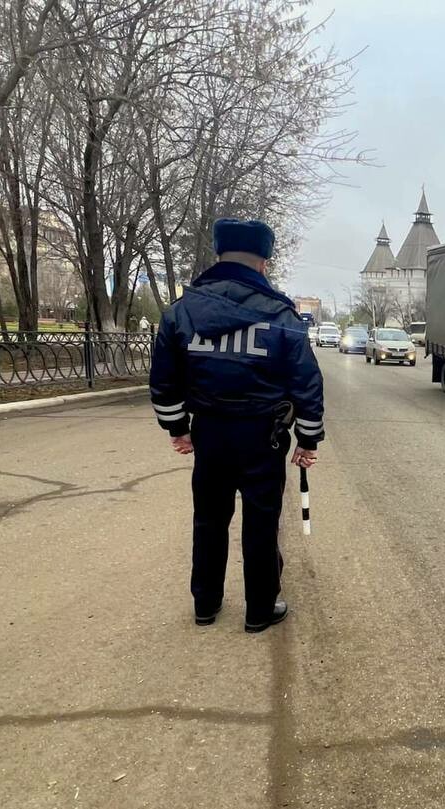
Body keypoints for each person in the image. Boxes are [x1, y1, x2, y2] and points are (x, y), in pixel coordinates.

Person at [149, 218, 324, 633]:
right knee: (261, 521)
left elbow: (163, 379)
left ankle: (205, 605)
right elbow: (305, 380)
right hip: (263, 436)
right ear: (263, 262)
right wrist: (308, 439)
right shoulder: (280, 314)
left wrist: (178, 429)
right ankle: (260, 610)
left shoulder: (182, 312)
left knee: (209, 518)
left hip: (209, 432)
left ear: (218, 255)